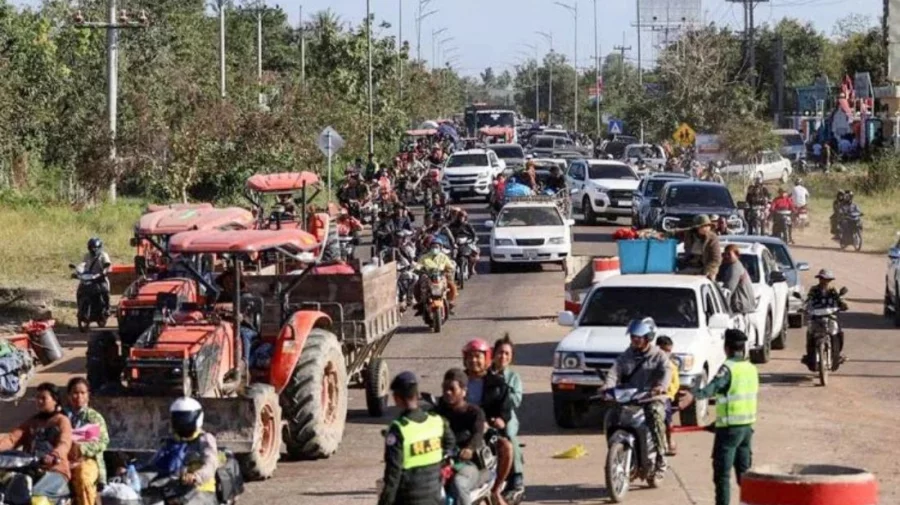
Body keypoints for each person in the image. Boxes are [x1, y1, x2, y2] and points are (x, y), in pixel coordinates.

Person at [679, 329, 758, 505]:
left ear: (726, 348)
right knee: (744, 475)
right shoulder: (751, 368)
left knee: (722, 475)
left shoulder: (728, 368)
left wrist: (694, 396)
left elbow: (713, 387)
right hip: (746, 429)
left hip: (729, 431)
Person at [601, 319, 671, 479]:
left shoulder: (658, 356)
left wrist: (661, 386)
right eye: (632, 336)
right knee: (611, 416)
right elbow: (614, 371)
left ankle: (661, 457)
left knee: (654, 413)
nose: (634, 340)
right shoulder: (627, 355)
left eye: (638, 337)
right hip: (630, 397)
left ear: (648, 337)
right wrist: (607, 386)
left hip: (651, 398)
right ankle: (616, 454)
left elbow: (667, 372)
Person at [377, 372, 454, 505]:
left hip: (408, 499)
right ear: (417, 395)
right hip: (434, 496)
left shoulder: (399, 429)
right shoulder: (436, 421)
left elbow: (393, 474)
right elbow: (450, 443)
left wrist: (384, 502)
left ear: (397, 399)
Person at [0, 383, 73, 501]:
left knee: (38, 498)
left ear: (55, 400)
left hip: (55, 470)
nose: (39, 401)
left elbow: (64, 442)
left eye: (43, 398)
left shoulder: (62, 420)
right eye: (37, 398)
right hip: (30, 468)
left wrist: (54, 455)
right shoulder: (32, 421)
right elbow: (12, 438)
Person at [461, 340, 514, 505]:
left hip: (488, 433)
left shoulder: (498, 384)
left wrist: (498, 421)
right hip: (460, 431)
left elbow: (505, 412)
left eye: (478, 357)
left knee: (506, 447)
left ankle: (496, 490)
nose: (473, 360)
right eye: (470, 357)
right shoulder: (458, 381)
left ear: (487, 359)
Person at [144, 398, 219, 505]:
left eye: (186, 418)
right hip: (174, 488)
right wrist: (133, 470)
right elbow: (153, 462)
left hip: (201, 490)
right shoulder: (171, 440)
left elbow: (211, 462)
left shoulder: (204, 439)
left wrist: (196, 476)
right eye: (178, 418)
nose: (182, 423)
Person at [435, 369, 491, 505]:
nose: (447, 392)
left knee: (459, 484)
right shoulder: (436, 412)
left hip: (468, 465)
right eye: (445, 388)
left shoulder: (474, 413)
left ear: (464, 390)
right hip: (440, 462)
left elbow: (478, 433)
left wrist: (469, 449)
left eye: (452, 389)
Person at [490, 335, 525, 497]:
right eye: (500, 352)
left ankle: (517, 477)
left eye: (506, 354)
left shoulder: (513, 378)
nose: (502, 356)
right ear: (493, 354)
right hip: (486, 413)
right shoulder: (485, 374)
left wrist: (502, 389)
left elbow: (515, 400)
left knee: (510, 436)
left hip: (506, 416)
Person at [66, 378, 109, 505]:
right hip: (63, 460)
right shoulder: (62, 416)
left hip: (89, 460)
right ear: (68, 395)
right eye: (75, 392)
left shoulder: (94, 417)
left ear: (88, 395)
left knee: (83, 478)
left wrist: (80, 448)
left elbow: (103, 442)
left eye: (82, 393)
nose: (79, 396)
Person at [801, 269, 848, 371]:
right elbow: (808, 300)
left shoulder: (833, 290)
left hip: (830, 316)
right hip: (816, 316)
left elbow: (839, 300)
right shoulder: (814, 289)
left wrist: (843, 305)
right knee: (810, 334)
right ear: (819, 279)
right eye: (822, 278)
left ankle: (837, 355)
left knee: (838, 332)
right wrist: (804, 307)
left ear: (830, 280)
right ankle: (810, 356)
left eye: (827, 279)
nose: (824, 281)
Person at [717, 245, 757, 332]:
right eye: (725, 254)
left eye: (729, 254)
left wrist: (724, 311)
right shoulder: (733, 266)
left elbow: (728, 291)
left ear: (737, 255)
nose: (726, 256)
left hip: (739, 310)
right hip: (742, 309)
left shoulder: (735, 268)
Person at [416, 236, 458, 314]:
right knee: (418, 285)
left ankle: (450, 302)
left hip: (441, 276)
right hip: (428, 276)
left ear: (440, 247)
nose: (434, 248)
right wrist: (418, 269)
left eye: (436, 246)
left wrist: (450, 268)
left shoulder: (444, 257)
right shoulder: (424, 257)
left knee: (452, 286)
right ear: (430, 247)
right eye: (433, 246)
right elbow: (419, 265)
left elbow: (450, 266)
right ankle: (421, 302)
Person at [654, 336, 680, 456]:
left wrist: (669, 394)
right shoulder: (651, 363)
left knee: (667, 421)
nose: (667, 354)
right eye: (665, 351)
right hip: (650, 396)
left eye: (669, 351)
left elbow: (675, 383)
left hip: (665, 397)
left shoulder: (671, 365)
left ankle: (670, 441)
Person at [681, 215, 722, 280]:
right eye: (703, 226)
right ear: (697, 228)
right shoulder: (689, 234)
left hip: (708, 267)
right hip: (691, 266)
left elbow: (716, 259)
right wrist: (664, 235)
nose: (706, 228)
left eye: (708, 226)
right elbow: (676, 232)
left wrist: (708, 271)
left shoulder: (712, 238)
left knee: (708, 279)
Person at [83, 237, 112, 315]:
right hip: (89, 278)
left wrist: (103, 272)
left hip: (100, 278)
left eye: (95, 248)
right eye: (91, 248)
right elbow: (83, 266)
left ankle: (107, 308)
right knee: (82, 290)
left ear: (99, 248)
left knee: (105, 291)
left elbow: (107, 265)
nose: (93, 250)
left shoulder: (103, 255)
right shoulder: (86, 256)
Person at [448, 211, 479, 277]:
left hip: (466, 242)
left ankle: (472, 268)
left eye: (463, 217)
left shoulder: (468, 225)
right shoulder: (452, 225)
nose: (461, 218)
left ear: (465, 218)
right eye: (460, 216)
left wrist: (474, 240)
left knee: (475, 253)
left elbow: (474, 234)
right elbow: (448, 233)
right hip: (455, 242)